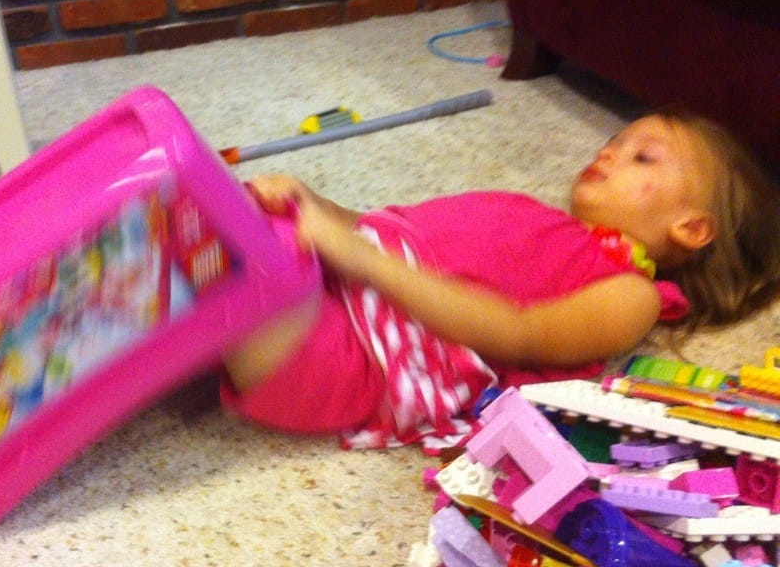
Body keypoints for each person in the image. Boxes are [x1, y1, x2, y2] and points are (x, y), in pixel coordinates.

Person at [220, 109, 780, 451]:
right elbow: (380, 231)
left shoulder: (632, 295)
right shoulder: (535, 218)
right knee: (245, 218)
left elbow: (516, 331)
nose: (610, 151)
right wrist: (314, 206)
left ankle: (208, 280)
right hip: (339, 291)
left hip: (357, 360)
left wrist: (360, 259)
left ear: (691, 228)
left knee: (236, 263)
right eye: (617, 140)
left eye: (643, 158)